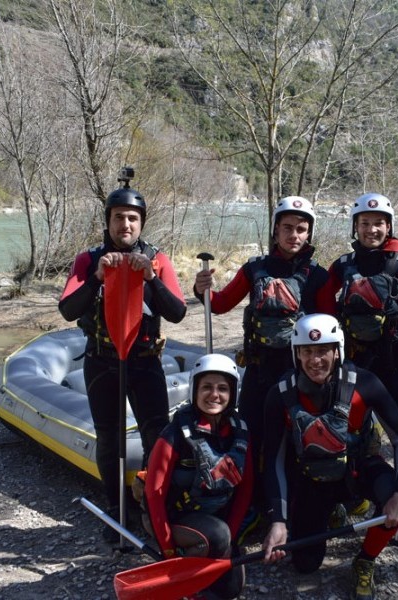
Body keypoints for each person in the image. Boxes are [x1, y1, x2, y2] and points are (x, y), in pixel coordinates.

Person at [317, 192, 398, 549]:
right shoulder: (341, 267)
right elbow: (325, 315)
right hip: (354, 367)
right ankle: (344, 499)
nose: (372, 229)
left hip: (394, 365)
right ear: (355, 227)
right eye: (364, 223)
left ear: (388, 225)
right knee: (345, 436)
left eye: (378, 223)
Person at [58, 176, 187, 540]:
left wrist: (151, 279)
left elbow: (176, 313)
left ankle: (152, 501)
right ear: (108, 221)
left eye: (132, 218)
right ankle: (116, 510)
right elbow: (68, 309)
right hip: (102, 361)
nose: (125, 225)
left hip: (145, 361)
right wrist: (97, 278)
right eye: (118, 218)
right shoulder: (88, 260)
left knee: (157, 436)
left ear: (141, 222)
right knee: (109, 439)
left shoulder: (158, 259)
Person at [193, 196, 328, 529]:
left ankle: (290, 503)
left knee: (293, 438)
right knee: (250, 435)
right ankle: (250, 504)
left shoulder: (318, 276)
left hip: (297, 374)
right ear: (275, 230)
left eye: (301, 229)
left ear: (309, 234)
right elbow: (220, 304)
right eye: (287, 228)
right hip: (258, 369)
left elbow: (329, 327)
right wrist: (202, 290)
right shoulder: (255, 269)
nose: (293, 235)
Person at [261, 314, 398, 600]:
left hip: (359, 471)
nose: (315, 360)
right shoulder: (280, 395)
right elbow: (272, 460)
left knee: (396, 497)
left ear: (337, 351)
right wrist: (278, 521)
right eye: (306, 352)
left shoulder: (365, 384)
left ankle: (366, 559)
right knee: (305, 565)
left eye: (323, 351)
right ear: (296, 353)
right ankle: (332, 510)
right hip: (312, 480)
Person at [144, 353, 253, 600]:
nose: (214, 395)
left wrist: (232, 538)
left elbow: (246, 490)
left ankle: (211, 555)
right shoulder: (173, 434)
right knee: (217, 536)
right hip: (172, 515)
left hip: (215, 519)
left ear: (233, 393)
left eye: (222, 388)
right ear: (194, 389)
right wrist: (168, 549)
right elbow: (154, 495)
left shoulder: (240, 432)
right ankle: (189, 574)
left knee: (230, 589)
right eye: (207, 387)